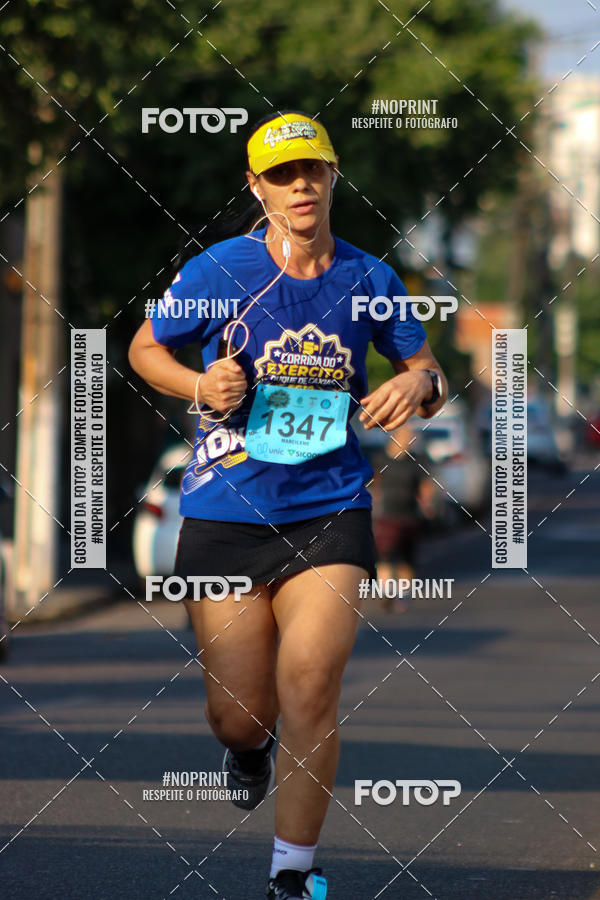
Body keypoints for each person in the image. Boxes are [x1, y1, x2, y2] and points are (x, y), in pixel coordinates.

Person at [128, 110, 447, 900]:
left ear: (334, 176)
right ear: (257, 188)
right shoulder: (219, 270)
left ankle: (291, 876)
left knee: (312, 684)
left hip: (329, 505)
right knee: (240, 713)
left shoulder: (371, 279)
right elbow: (144, 349)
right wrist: (200, 384)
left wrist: (414, 383)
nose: (299, 186)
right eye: (281, 175)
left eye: (312, 171)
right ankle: (245, 750)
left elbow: (429, 373)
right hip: (226, 508)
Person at [371, 420, 436, 612]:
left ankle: (403, 595)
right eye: (407, 437)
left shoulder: (416, 461)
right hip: (387, 515)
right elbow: (374, 481)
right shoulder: (381, 459)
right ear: (396, 439)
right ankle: (386, 593)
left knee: (407, 560)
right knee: (385, 556)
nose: (410, 441)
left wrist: (427, 504)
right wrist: (373, 500)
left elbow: (425, 485)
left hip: (409, 515)